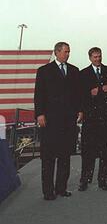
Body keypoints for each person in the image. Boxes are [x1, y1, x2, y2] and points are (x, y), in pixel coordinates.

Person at [34, 42, 82, 200]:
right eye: (65, 52)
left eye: (69, 51)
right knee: (48, 158)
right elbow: (39, 94)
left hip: (68, 121)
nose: (68, 54)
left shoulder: (74, 71)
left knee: (65, 156)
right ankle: (48, 192)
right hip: (50, 121)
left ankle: (61, 188)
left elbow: (77, 94)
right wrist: (39, 114)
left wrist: (80, 110)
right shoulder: (44, 71)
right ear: (57, 52)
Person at [78, 47, 107, 191]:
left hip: (106, 117)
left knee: (106, 151)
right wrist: (90, 93)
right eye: (95, 57)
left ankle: (103, 180)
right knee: (88, 151)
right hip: (91, 117)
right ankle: (84, 180)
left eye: (99, 56)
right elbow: (80, 94)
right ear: (90, 58)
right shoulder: (83, 74)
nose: (98, 59)